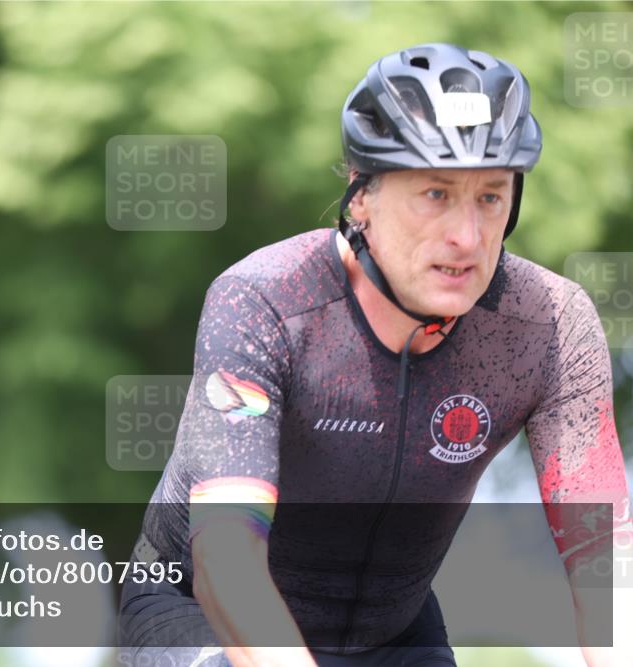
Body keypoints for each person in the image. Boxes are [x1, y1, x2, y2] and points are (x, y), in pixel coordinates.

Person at [116, 43, 633, 667]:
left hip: (393, 635)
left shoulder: (548, 325)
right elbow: (225, 559)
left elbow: (605, 561)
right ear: (361, 197)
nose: (466, 237)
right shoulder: (265, 302)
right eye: (435, 195)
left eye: (490, 197)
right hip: (200, 614)